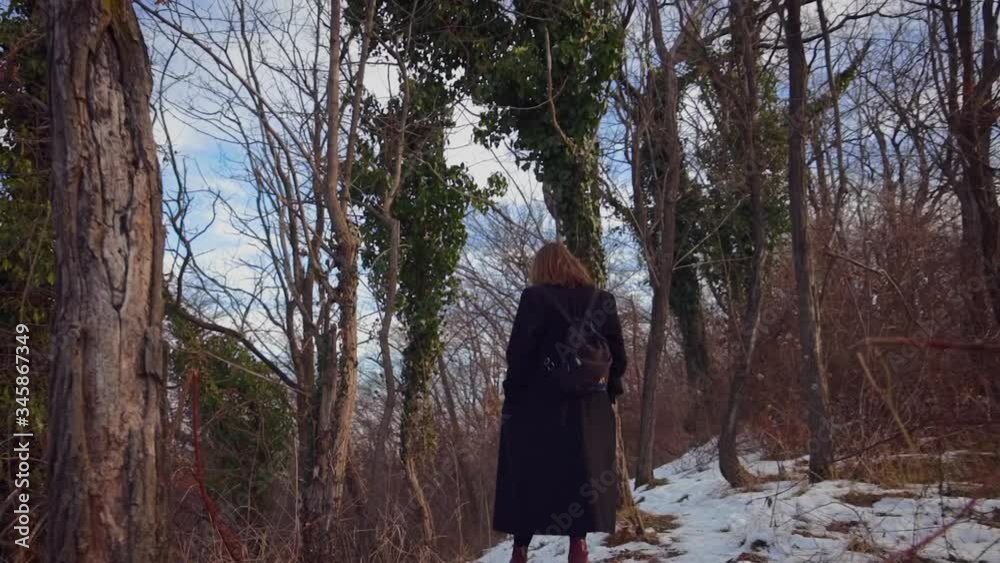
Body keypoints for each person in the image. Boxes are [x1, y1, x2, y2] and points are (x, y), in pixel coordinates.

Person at [492, 242, 628, 563]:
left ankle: (520, 549)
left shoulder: (535, 298)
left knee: (526, 476)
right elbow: (618, 358)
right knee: (579, 477)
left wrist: (512, 397)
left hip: (538, 410)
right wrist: (604, 392)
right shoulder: (602, 300)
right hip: (590, 411)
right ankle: (578, 548)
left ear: (541, 269)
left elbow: (519, 357)